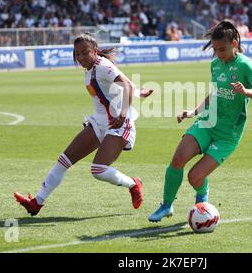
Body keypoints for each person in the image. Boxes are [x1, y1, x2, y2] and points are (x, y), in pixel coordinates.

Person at [14, 32, 153, 216]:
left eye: (84, 53)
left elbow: (125, 84)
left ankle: (134, 184)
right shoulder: (92, 68)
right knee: (64, 160)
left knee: (98, 170)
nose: (80, 57)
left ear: (95, 51)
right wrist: (139, 92)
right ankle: (37, 203)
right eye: (77, 54)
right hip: (98, 123)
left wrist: (125, 111)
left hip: (119, 124)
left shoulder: (102, 65)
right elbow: (119, 83)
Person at [148, 19, 252, 222]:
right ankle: (166, 206)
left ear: (234, 43)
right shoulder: (215, 64)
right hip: (207, 122)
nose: (218, 55)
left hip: (227, 135)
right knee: (178, 159)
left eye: (222, 49)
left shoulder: (245, 65)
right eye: (215, 50)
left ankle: (202, 196)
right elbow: (214, 94)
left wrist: (246, 91)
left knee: (194, 177)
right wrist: (194, 111)